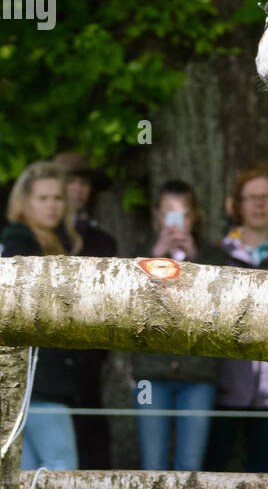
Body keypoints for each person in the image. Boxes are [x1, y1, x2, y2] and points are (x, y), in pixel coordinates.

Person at [208, 164, 268, 474]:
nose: (259, 204)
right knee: (214, 471)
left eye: (266, 197)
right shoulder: (217, 255)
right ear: (237, 205)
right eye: (251, 198)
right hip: (223, 383)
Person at [132, 180, 223, 471]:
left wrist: (196, 261)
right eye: (168, 215)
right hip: (151, 374)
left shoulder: (213, 257)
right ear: (158, 217)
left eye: (181, 215)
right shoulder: (138, 255)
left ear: (193, 216)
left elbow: (219, 304)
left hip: (198, 374)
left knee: (190, 467)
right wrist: (153, 254)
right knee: (152, 463)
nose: (175, 223)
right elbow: (125, 301)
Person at [0, 162, 84, 469]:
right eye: (43, 198)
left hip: (37, 378)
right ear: (24, 202)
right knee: (61, 469)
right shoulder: (18, 242)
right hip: (36, 377)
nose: (52, 206)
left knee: (30, 475)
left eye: (57, 198)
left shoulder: (48, 241)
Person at [54, 151, 118, 468]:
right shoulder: (34, 237)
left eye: (83, 182)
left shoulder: (104, 242)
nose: (78, 189)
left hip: (88, 355)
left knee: (91, 431)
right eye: (71, 181)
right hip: (46, 356)